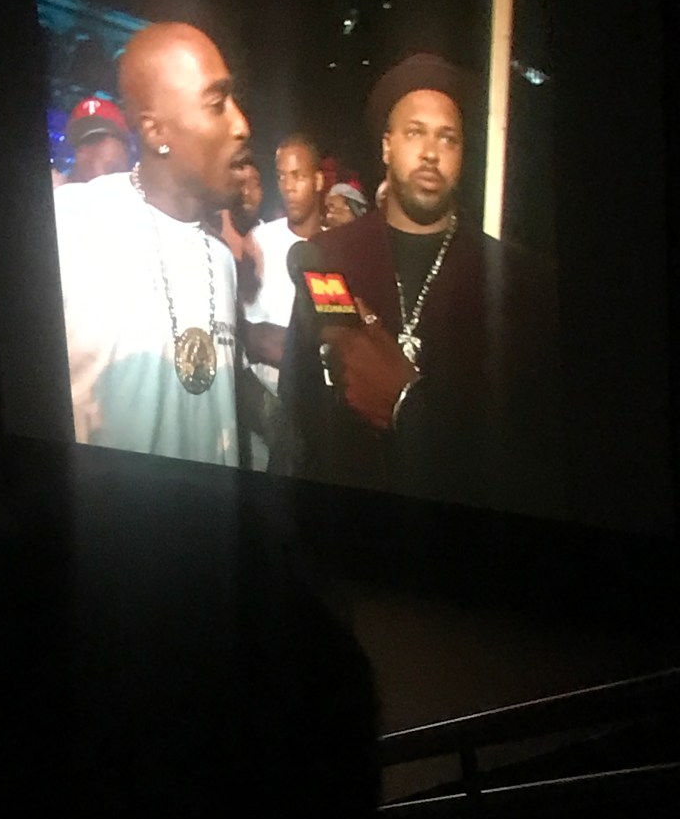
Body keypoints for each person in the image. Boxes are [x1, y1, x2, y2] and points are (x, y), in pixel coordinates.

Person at [274, 52, 563, 518]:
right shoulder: (328, 257)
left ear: (462, 155)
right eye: (415, 133)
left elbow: (529, 450)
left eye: (447, 137)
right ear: (387, 147)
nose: (431, 152)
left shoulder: (516, 282)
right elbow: (297, 407)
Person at [52, 22, 250, 465]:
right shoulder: (71, 224)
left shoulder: (222, 259)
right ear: (156, 131)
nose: (241, 124)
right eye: (217, 104)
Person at [238, 134, 324, 470]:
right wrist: (262, 339)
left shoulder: (335, 248)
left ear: (318, 181)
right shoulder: (259, 241)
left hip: (313, 412)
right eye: (281, 176)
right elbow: (239, 325)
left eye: (298, 176)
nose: (288, 187)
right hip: (262, 408)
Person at [56, 96, 133, 185]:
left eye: (99, 139)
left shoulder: (143, 184)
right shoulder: (63, 189)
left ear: (125, 147)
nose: (93, 154)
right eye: (83, 143)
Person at [218, 155, 265, 265]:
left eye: (253, 184)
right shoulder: (211, 232)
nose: (246, 192)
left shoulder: (272, 240)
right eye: (240, 185)